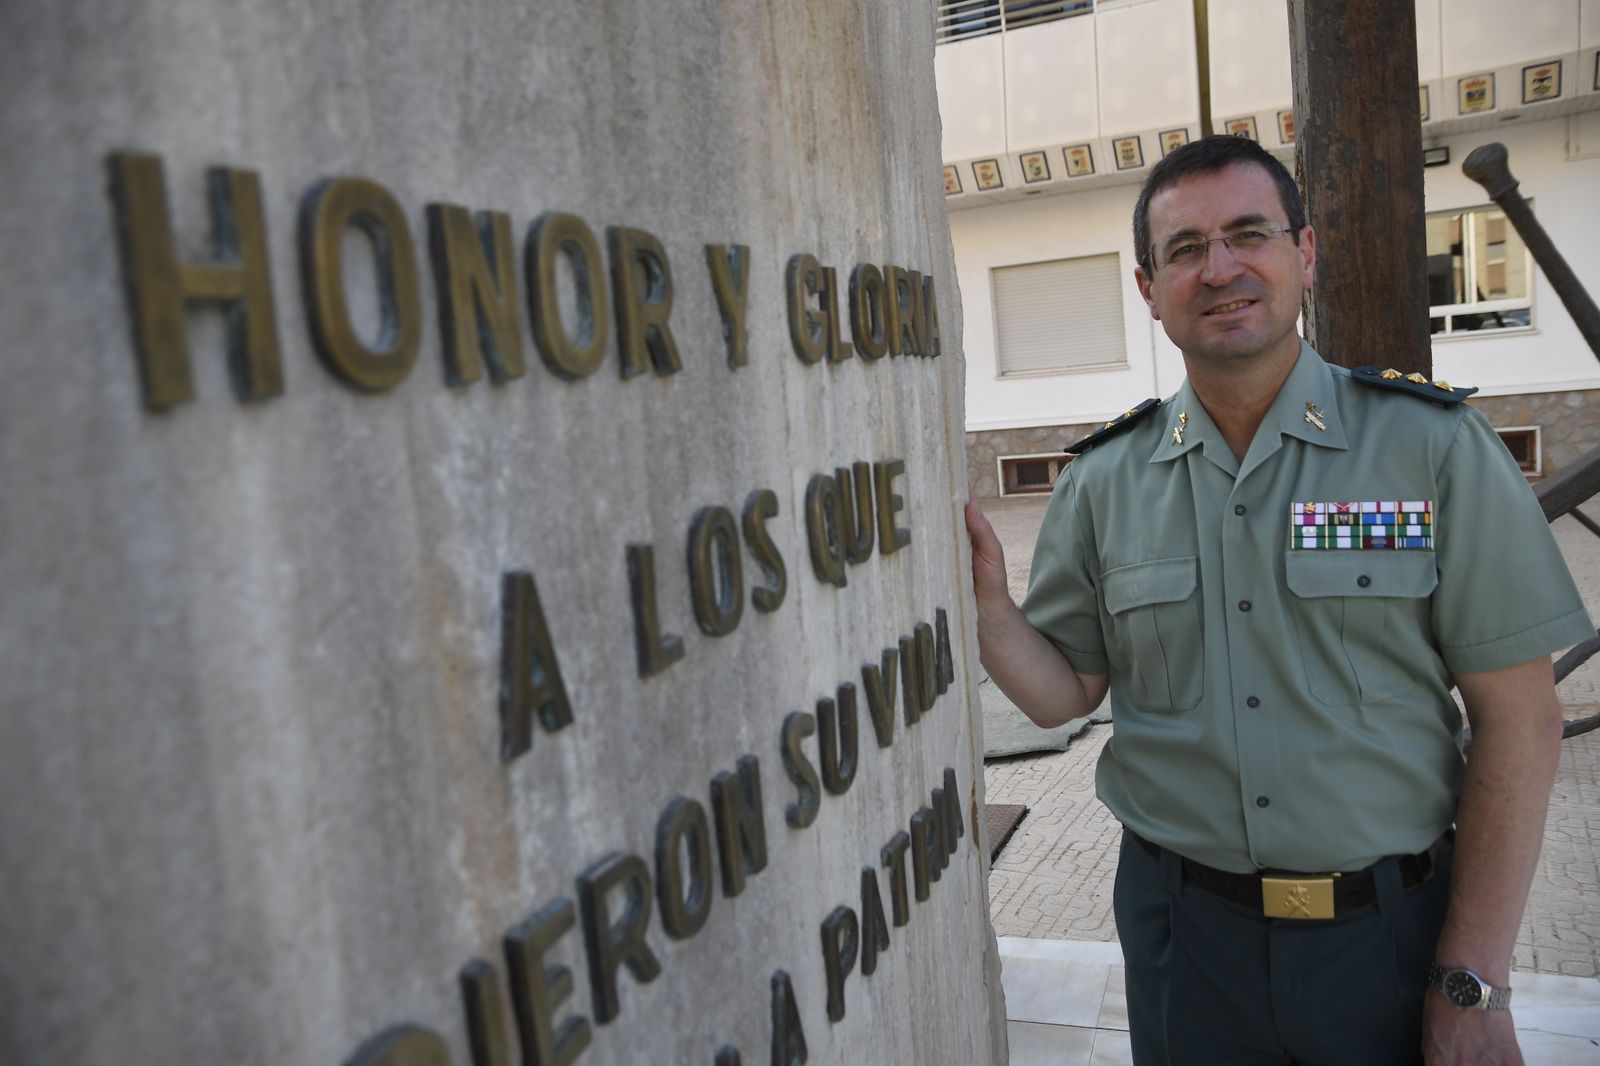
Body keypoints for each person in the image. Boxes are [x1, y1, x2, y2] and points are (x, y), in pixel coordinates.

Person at [965, 134, 1593, 1065]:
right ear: (1149, 290)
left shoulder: (1431, 449)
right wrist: (982, 605)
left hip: (1389, 938)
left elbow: (1521, 722)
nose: (1219, 269)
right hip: (1185, 939)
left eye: (1248, 235)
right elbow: (1066, 692)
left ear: (1305, 252)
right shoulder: (1100, 482)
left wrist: (1471, 978)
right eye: (1184, 250)